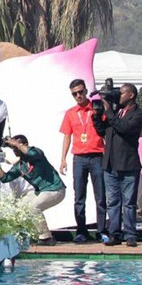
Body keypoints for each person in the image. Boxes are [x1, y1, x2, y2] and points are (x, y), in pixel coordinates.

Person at [91, 81, 142, 247]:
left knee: (129, 203)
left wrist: (108, 112)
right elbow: (103, 131)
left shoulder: (139, 114)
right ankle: (114, 233)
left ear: (131, 95)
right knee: (112, 202)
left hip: (128, 165)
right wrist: (96, 115)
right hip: (110, 164)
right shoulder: (116, 112)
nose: (118, 96)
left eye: (121, 93)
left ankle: (130, 234)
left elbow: (124, 128)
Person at [59, 78, 107, 243]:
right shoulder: (70, 113)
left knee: (100, 195)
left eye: (80, 92)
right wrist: (63, 158)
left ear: (86, 91)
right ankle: (81, 230)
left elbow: (106, 130)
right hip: (79, 157)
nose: (78, 96)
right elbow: (67, 135)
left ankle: (102, 230)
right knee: (79, 196)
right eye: (74, 94)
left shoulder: (96, 108)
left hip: (97, 156)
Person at [0, 135, 65, 246]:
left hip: (55, 189)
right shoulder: (20, 165)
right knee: (19, 207)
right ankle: (27, 234)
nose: (15, 150)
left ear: (25, 145)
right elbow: (5, 178)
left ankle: (46, 238)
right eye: (13, 149)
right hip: (41, 191)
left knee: (33, 207)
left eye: (16, 148)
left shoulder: (37, 154)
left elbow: (33, 153)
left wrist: (16, 144)